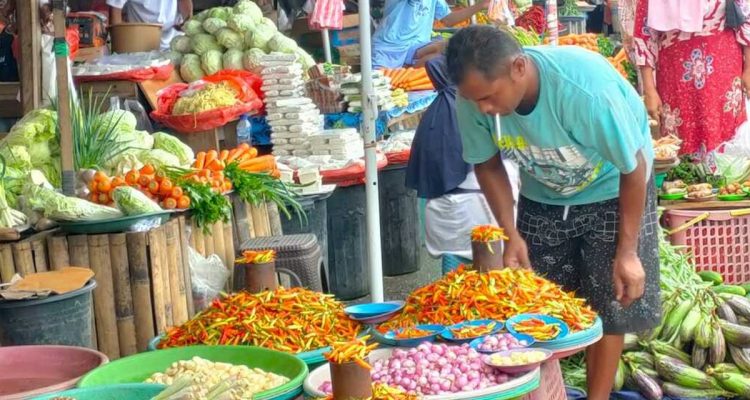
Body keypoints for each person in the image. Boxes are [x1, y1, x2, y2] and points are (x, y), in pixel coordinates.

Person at [446, 25, 660, 400]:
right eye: (474, 100)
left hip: (615, 185)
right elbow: (487, 164)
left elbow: (633, 168)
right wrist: (510, 233)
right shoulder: (473, 97)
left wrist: (627, 252)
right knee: (537, 303)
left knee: (609, 303)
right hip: (543, 192)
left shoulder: (585, 91)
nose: (484, 109)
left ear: (518, 68)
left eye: (489, 97)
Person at [405, 55, 519, 274]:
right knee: (493, 284)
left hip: (448, 215)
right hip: (480, 209)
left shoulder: (437, 112)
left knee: (456, 288)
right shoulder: (478, 107)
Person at [633, 0, 750, 156]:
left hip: (724, 77)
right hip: (676, 80)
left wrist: (748, 68)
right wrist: (649, 90)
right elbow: (644, 35)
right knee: (680, 144)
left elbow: (746, 18)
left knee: (727, 149)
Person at [371, 0, 489, 69]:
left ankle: (412, 72)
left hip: (416, 47)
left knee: (449, 47)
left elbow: (448, 20)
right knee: (382, 85)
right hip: (388, 49)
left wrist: (481, 5)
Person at [107, 0, 193, 50]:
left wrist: (187, 22)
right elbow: (115, 13)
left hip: (174, 41)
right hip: (139, 46)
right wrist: (119, 49)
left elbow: (184, 1)